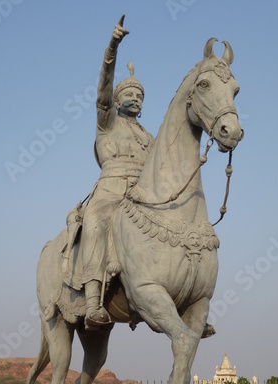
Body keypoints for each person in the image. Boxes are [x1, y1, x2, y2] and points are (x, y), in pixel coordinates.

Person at [81, 16, 155, 330]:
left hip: (143, 195)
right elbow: (103, 85)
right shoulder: (107, 122)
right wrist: (112, 47)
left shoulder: (149, 137)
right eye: (130, 94)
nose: (135, 98)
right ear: (116, 100)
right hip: (111, 190)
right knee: (96, 222)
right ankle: (92, 302)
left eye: (140, 95)